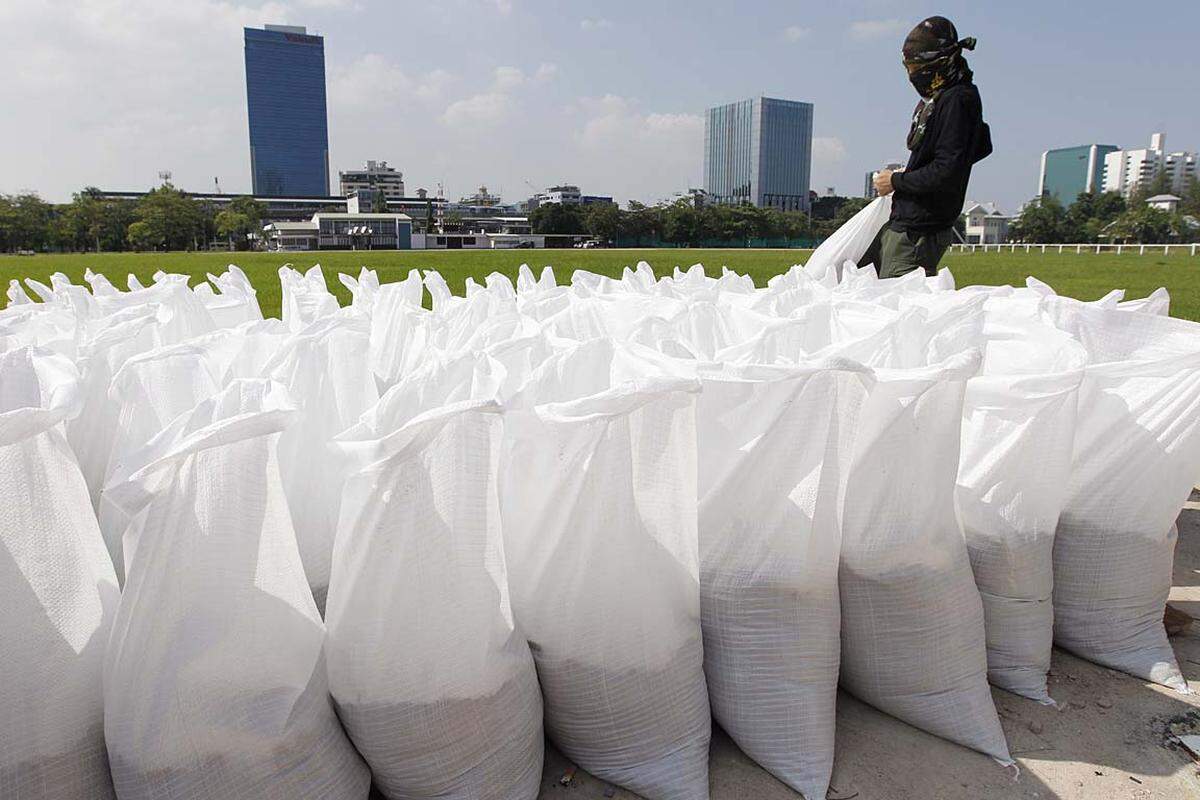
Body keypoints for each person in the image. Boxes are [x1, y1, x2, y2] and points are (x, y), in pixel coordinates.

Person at [861, 16, 992, 278]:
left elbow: (948, 170)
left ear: (938, 63)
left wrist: (897, 181)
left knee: (898, 310)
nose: (911, 73)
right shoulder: (944, 97)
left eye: (915, 66)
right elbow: (979, 147)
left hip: (919, 233)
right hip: (908, 225)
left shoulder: (957, 100)